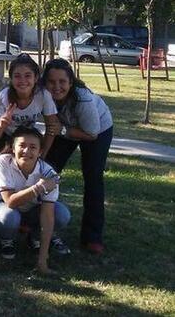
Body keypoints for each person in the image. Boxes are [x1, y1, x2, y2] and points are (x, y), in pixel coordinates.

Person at [0, 53, 62, 254]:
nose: (22, 81)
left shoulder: (43, 95)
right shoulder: (5, 97)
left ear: (36, 77)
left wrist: (43, 153)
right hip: (2, 139)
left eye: (27, 75)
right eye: (17, 76)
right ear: (11, 78)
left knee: (33, 178)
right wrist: (3, 123)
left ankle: (33, 228)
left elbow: (52, 127)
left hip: (27, 141)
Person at [42, 58, 113, 255]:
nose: (57, 87)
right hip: (66, 127)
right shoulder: (42, 94)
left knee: (93, 177)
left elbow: (92, 134)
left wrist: (63, 131)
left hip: (97, 129)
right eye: (51, 82)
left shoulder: (83, 99)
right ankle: (33, 221)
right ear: (45, 83)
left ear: (71, 82)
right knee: (48, 169)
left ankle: (92, 236)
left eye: (62, 82)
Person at [0, 127, 71, 273]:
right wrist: (38, 188)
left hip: (33, 210)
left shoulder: (49, 173)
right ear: (13, 148)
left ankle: (35, 238)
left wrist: (42, 260)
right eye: (21, 145)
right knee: (9, 217)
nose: (26, 151)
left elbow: (47, 216)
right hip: (5, 206)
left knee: (62, 214)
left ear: (40, 152)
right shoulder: (2, 161)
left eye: (33, 147)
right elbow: (10, 201)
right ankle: (6, 240)